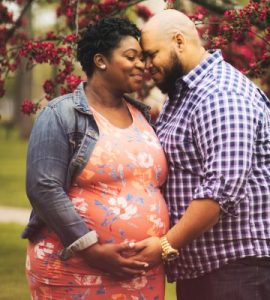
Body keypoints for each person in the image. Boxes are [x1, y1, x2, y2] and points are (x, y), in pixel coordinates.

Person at [131, 9, 270, 300]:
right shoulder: (184, 95)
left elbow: (220, 191)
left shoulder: (219, 94)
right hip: (213, 265)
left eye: (151, 54)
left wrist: (166, 245)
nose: (146, 65)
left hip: (241, 265)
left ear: (179, 42)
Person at [22, 17, 169, 299]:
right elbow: (43, 188)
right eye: (131, 57)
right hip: (75, 269)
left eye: (143, 58)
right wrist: (91, 249)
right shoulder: (61, 114)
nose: (142, 65)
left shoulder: (144, 116)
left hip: (141, 272)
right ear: (100, 61)